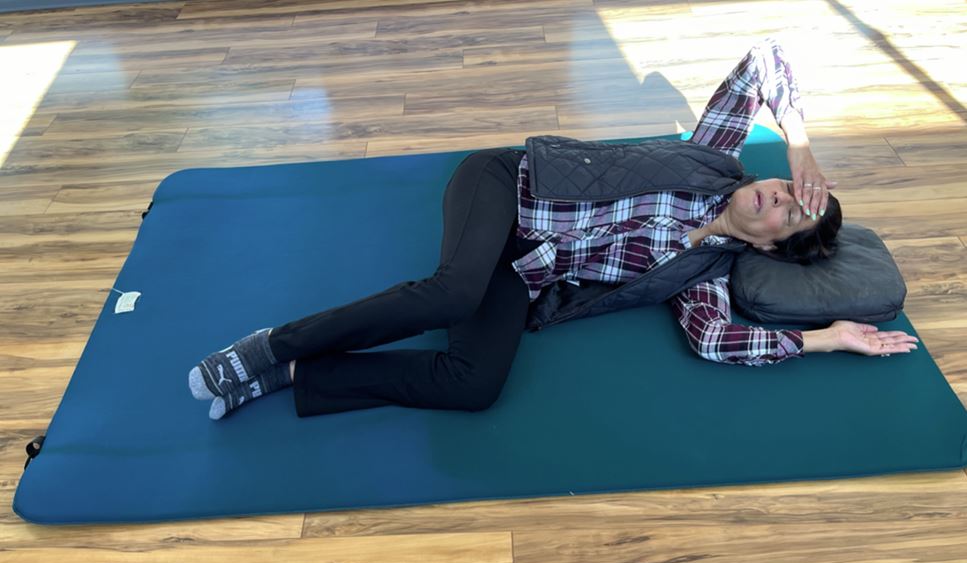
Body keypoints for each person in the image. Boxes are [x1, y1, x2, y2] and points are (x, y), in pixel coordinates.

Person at [188, 37, 918, 420]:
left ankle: (291, 377)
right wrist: (799, 144)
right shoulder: (714, 158)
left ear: (767, 247)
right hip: (504, 186)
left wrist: (824, 338)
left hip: (521, 269)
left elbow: (715, 342)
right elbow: (765, 59)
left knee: (474, 384)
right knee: (449, 293)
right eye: (791, 190)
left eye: (791, 214)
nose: (780, 197)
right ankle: (264, 346)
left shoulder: (704, 278)